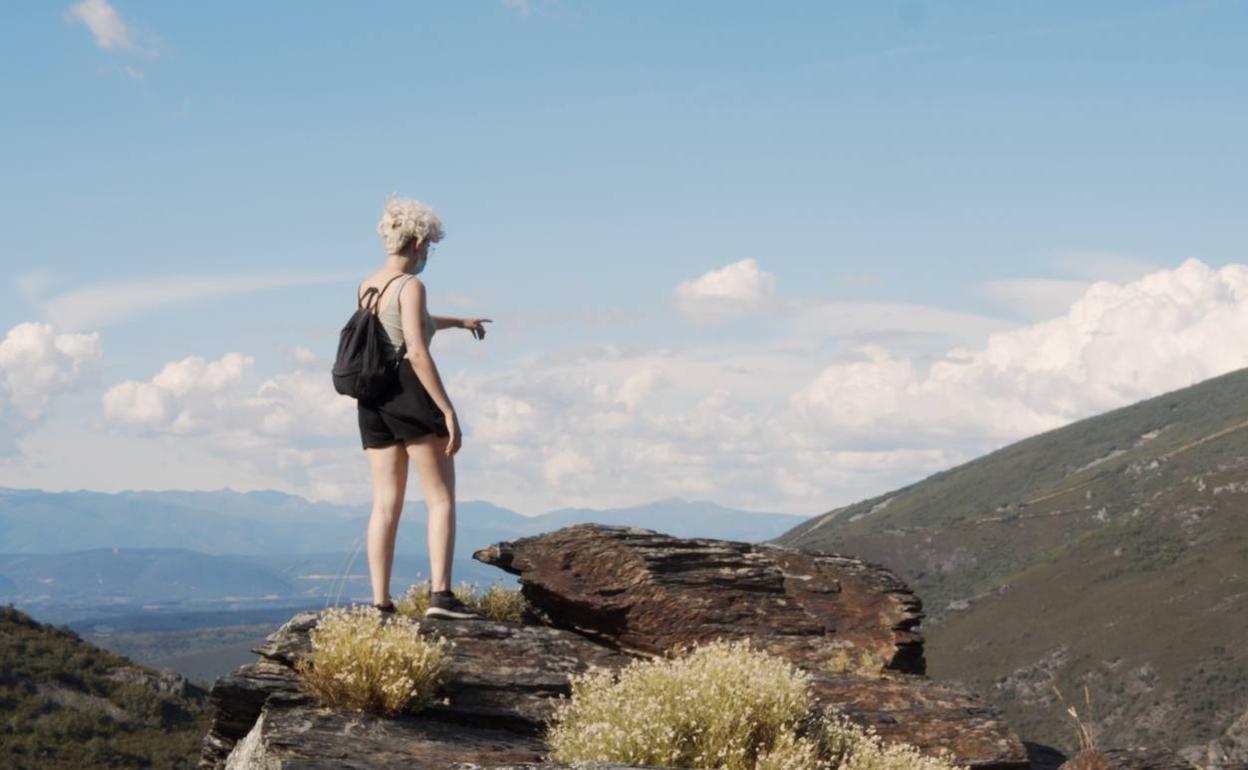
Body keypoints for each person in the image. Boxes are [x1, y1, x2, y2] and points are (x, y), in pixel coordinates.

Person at [356, 195, 492, 621]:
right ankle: (441, 596)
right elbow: (415, 348)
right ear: (415, 241)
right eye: (428, 245)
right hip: (411, 397)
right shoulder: (412, 286)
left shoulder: (369, 285)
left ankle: (380, 604)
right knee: (440, 499)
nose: (427, 253)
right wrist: (447, 410)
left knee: (384, 504)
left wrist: (460, 322)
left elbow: (410, 323)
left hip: (373, 401)